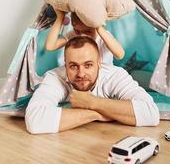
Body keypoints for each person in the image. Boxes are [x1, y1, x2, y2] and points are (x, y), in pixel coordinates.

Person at [25, 36, 159, 134]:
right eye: (73, 66)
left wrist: (92, 102)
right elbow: (35, 120)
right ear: (65, 65)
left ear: (99, 63)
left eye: (88, 65)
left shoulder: (115, 75)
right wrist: (96, 114)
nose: (81, 74)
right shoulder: (55, 77)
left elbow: (151, 113)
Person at [45, 9, 125, 65]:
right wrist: (60, 18)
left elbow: (120, 55)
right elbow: (50, 46)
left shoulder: (103, 37)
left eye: (88, 31)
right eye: (76, 30)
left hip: (104, 76)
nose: (82, 35)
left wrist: (100, 28)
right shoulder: (74, 35)